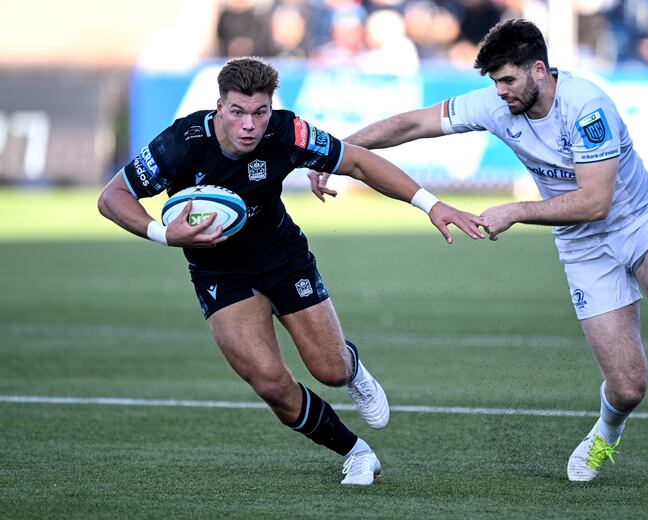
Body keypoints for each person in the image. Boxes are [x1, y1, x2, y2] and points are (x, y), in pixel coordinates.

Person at [308, 19, 648, 489]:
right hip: (582, 248)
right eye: (495, 82)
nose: (500, 91)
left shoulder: (587, 107)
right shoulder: (496, 103)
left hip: (640, 222)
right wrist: (335, 153)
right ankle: (606, 432)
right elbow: (412, 123)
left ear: (539, 70)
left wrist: (516, 210)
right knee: (628, 387)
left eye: (507, 80)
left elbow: (596, 202)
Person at [98, 57, 485, 486]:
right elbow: (112, 197)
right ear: (219, 107)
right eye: (237, 112)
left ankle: (351, 366)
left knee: (330, 371)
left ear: (271, 109)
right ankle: (356, 452)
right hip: (218, 272)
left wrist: (431, 205)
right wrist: (163, 234)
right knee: (269, 383)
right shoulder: (181, 143)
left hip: (281, 257)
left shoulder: (288, 132)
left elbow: (357, 162)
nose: (249, 125)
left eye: (259, 112)